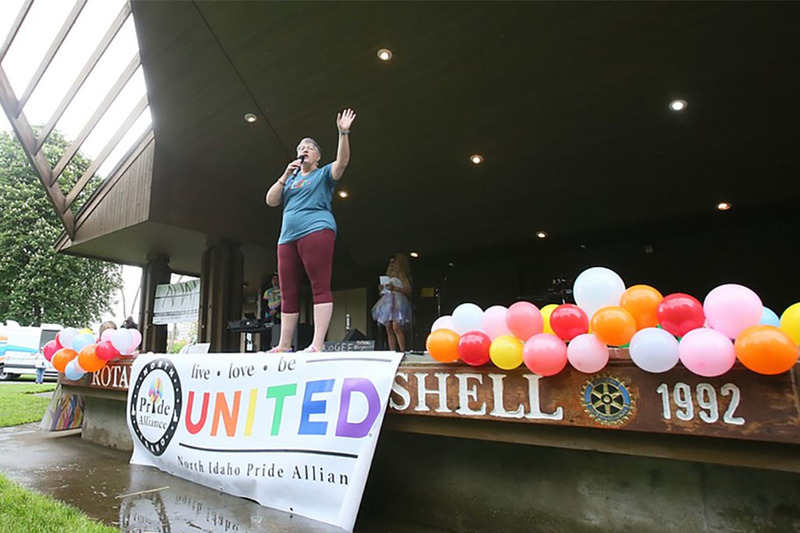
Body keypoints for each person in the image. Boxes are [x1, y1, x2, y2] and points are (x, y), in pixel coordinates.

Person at [265, 108, 357, 353]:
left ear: (317, 156)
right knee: (288, 291)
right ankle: (284, 344)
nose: (303, 150)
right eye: (300, 148)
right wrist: (285, 174)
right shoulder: (291, 180)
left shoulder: (324, 173)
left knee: (319, 285)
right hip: (287, 238)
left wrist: (343, 132)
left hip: (316, 230)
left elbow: (343, 162)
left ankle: (317, 343)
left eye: (308, 147)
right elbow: (271, 200)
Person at [372, 253, 413, 352]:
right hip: (388, 302)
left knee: (396, 327)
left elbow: (408, 290)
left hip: (398, 302)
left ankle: (403, 350)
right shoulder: (388, 276)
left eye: (394, 263)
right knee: (388, 328)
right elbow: (383, 293)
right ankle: (392, 351)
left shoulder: (401, 275)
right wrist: (382, 289)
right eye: (391, 264)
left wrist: (394, 288)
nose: (392, 265)